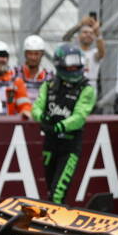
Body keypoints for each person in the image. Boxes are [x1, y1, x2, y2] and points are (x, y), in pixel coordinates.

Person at [32, 44, 97, 204]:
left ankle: (56, 224)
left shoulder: (87, 89)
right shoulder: (48, 86)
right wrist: (43, 118)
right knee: (48, 190)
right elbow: (36, 108)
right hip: (49, 144)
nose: (74, 67)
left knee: (58, 193)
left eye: (77, 64)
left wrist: (59, 126)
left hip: (70, 146)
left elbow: (80, 117)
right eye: (71, 64)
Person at [0, 41, 32, 118]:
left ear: (8, 59)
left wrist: (25, 111)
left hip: (9, 125)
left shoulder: (16, 81)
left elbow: (24, 103)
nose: (0, 59)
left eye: (3, 56)